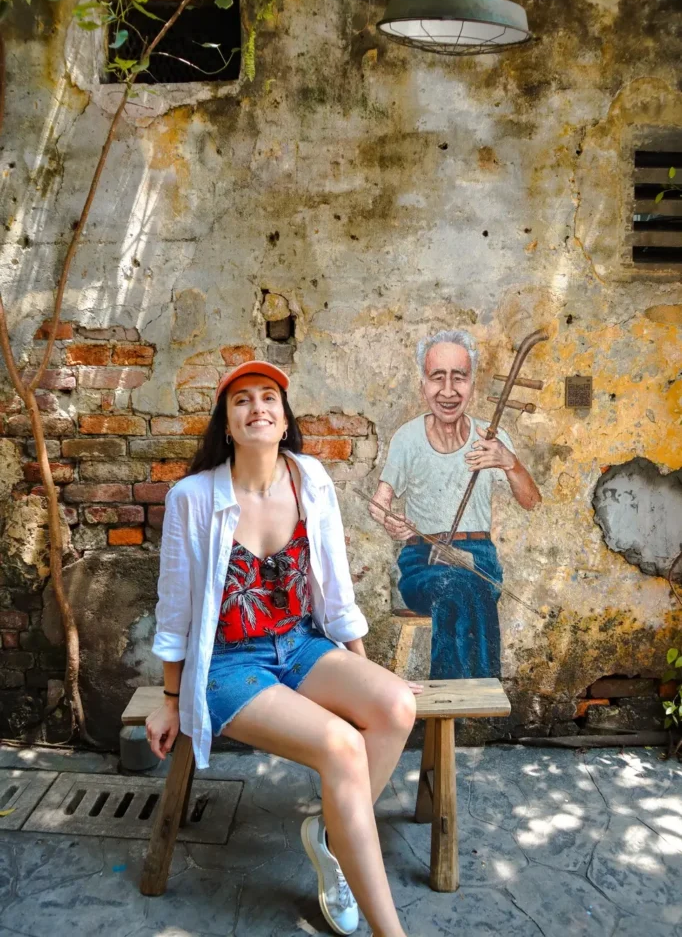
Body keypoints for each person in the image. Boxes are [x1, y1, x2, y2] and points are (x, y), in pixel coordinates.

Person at [145, 360, 419, 937]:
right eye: (241, 400)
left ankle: (332, 833)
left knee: (396, 706)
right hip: (228, 664)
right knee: (343, 748)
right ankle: (388, 927)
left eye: (268, 396)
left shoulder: (309, 478)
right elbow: (173, 613)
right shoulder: (192, 498)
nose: (257, 408)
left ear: (285, 416)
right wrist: (171, 699)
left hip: (299, 645)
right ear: (226, 423)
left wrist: (364, 675)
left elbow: (337, 588)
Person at [370, 330, 541, 680]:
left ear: (472, 384)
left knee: (467, 584)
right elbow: (379, 503)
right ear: (423, 385)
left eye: (458, 378)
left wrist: (509, 462)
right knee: (455, 587)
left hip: (479, 559)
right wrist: (390, 520)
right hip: (423, 561)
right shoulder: (408, 437)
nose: (448, 391)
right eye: (438, 377)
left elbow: (531, 502)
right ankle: (471, 699)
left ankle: (455, 704)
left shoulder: (490, 438)